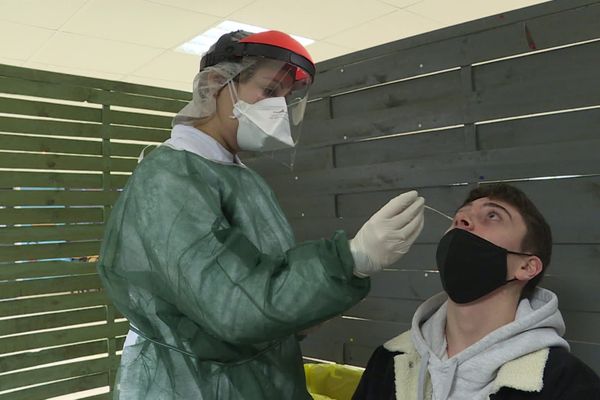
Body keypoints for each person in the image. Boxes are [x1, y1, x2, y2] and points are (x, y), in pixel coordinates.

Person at [98, 29, 425, 399]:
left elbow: (264, 280)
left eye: (285, 97)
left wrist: (310, 302)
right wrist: (348, 260)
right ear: (216, 85)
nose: (278, 109)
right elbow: (233, 308)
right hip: (196, 385)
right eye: (269, 91)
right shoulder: (170, 179)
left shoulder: (241, 178)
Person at [352, 183, 600, 400]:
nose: (462, 220)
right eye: (459, 216)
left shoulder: (568, 384)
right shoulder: (388, 363)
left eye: (493, 215)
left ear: (527, 266)